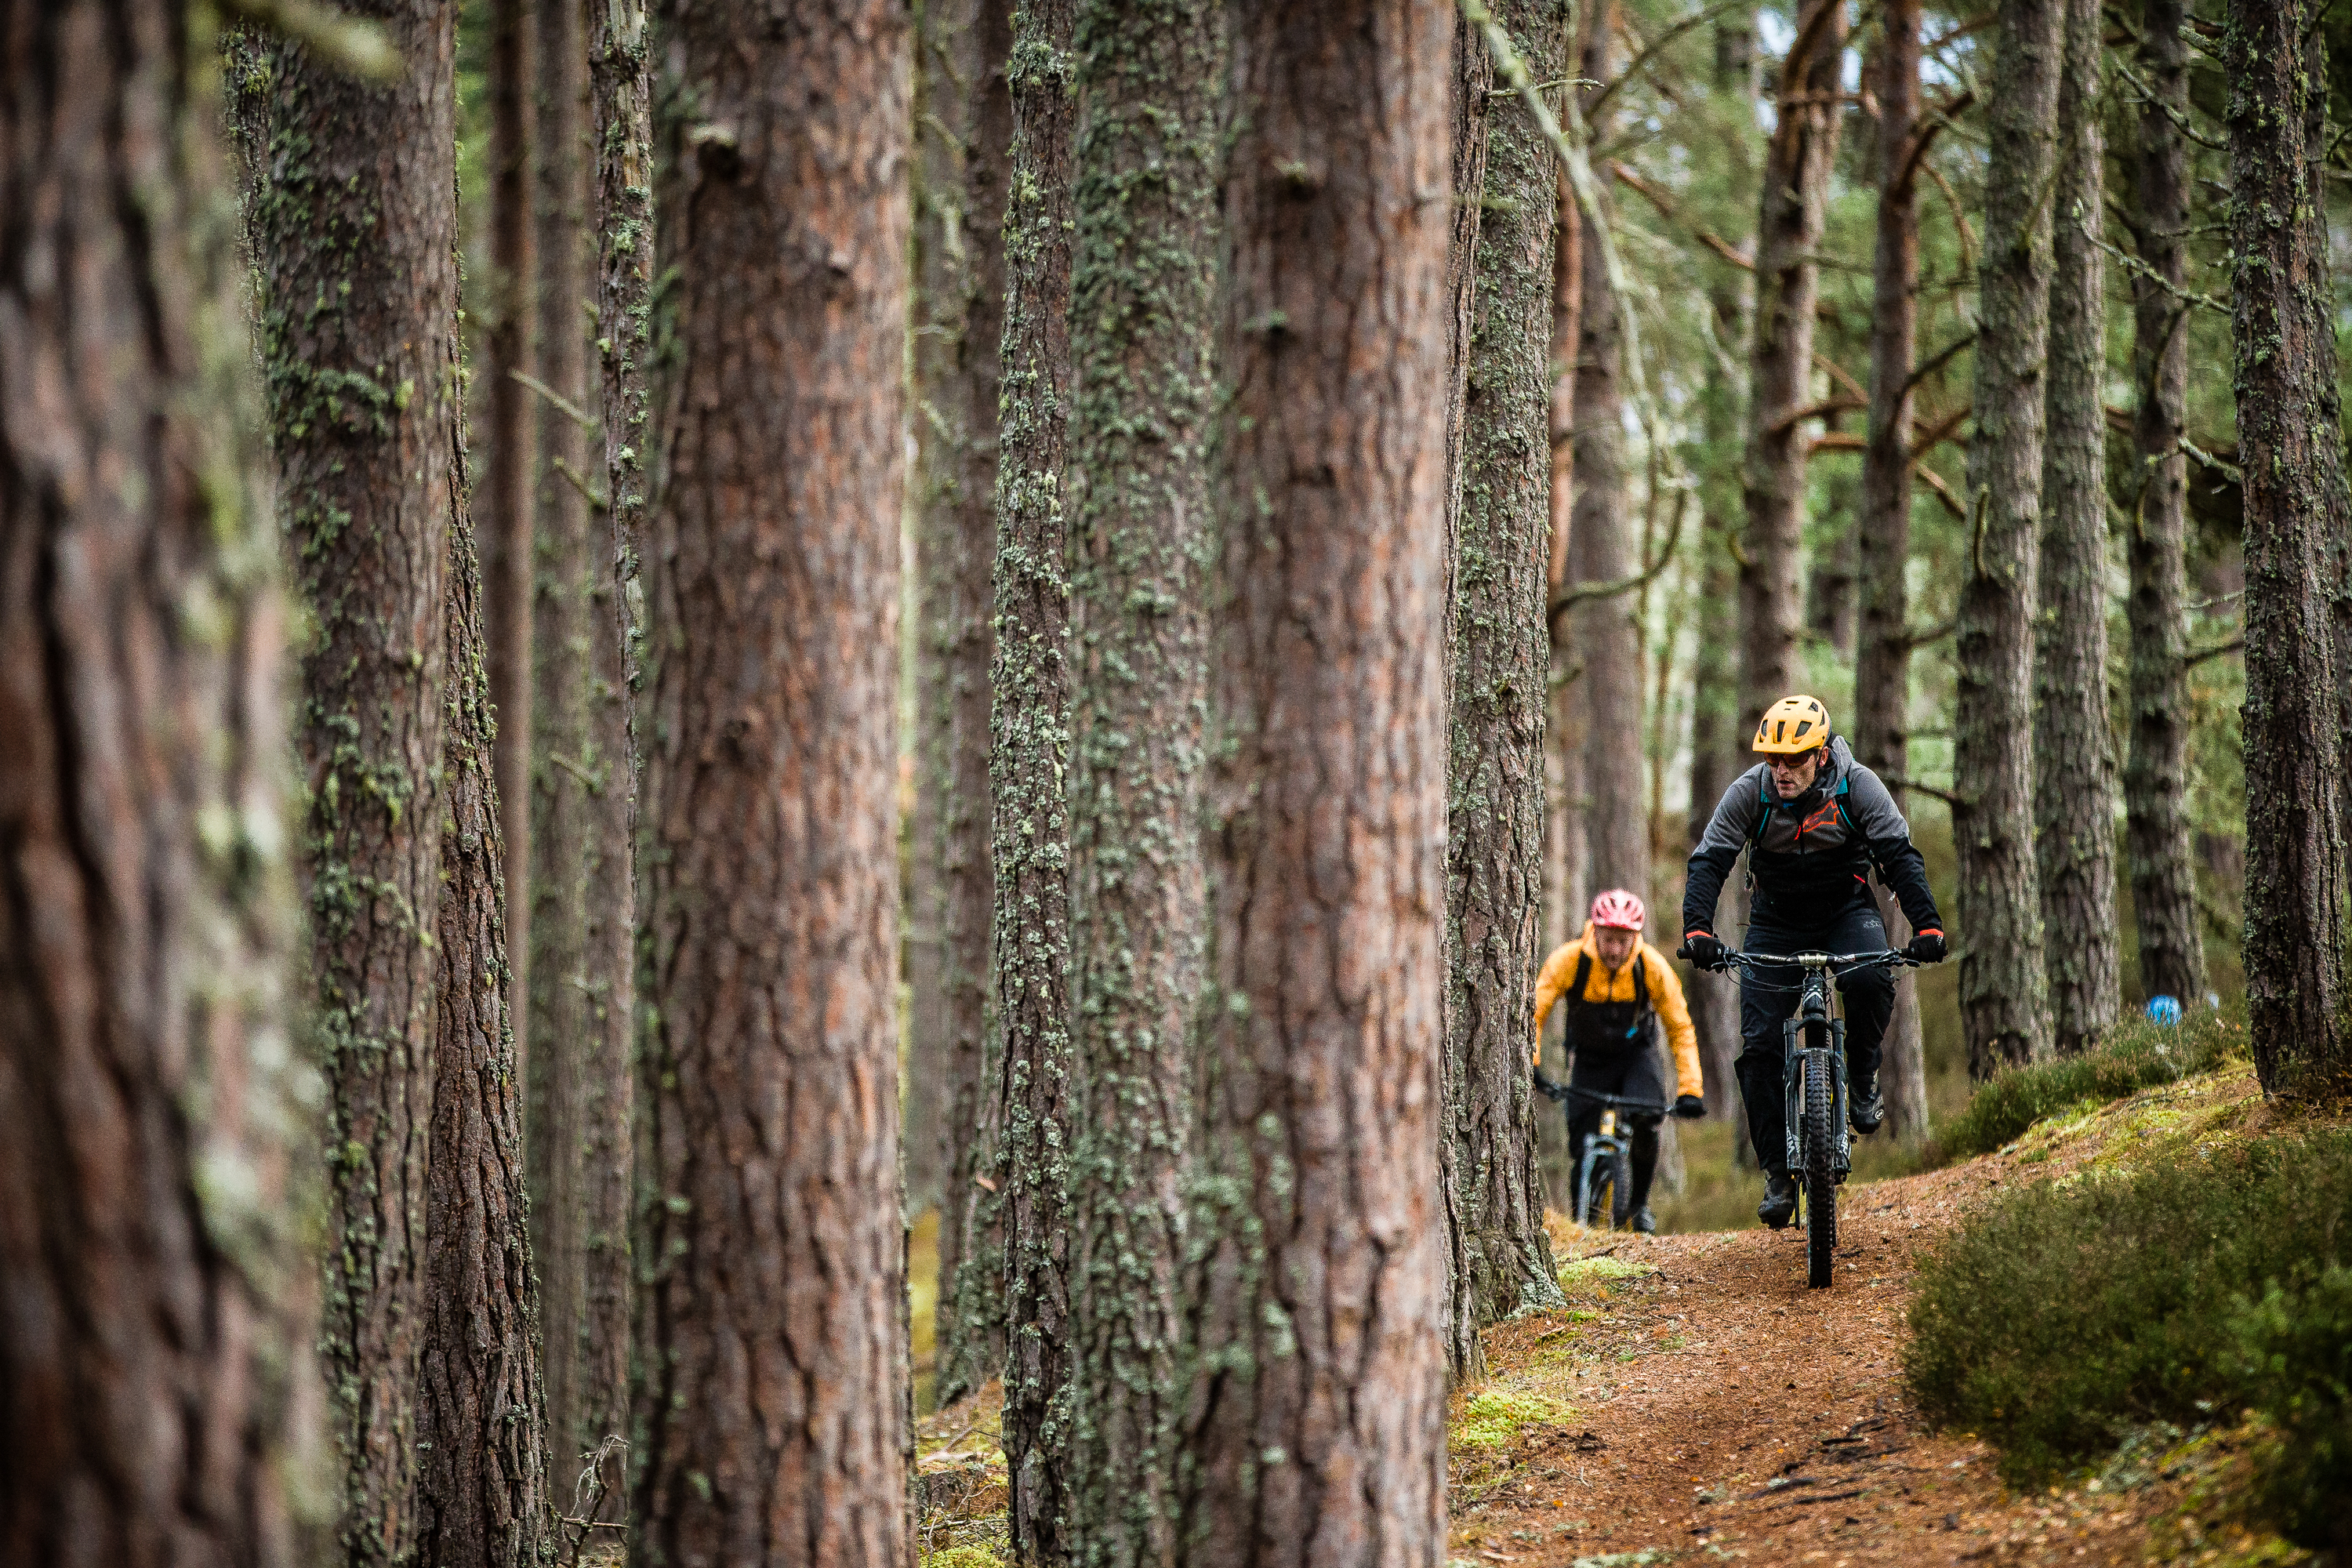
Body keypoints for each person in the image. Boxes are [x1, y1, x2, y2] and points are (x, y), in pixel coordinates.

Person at [1677, 694, 1947, 1229]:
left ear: (1821, 755)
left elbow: (1899, 856)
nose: (1781, 771)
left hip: (1846, 909)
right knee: (1757, 1048)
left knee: (1870, 977)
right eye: (1773, 759)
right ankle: (1778, 1174)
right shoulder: (1749, 793)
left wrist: (1928, 926)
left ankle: (1864, 1074)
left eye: (1793, 760)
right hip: (1775, 920)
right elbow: (1710, 860)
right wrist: (1698, 930)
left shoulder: (1858, 785)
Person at [1531, 888, 1706, 1234]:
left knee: (1646, 1119)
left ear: (1635, 939)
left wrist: (1690, 1090)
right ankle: (1583, 1222)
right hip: (1589, 1061)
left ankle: (1638, 1205)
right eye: (1608, 939)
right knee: (1581, 1142)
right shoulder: (1570, 961)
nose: (1614, 949)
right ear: (1594, 931)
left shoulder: (1651, 967)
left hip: (1635, 1057)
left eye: (1622, 941)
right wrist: (1532, 1063)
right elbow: (1535, 1011)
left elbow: (1680, 1026)